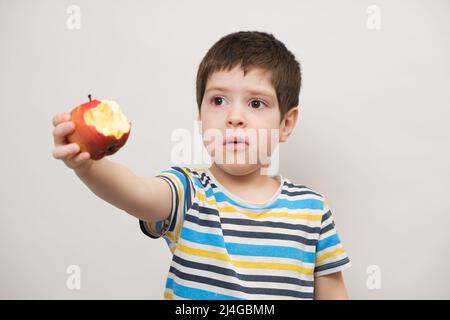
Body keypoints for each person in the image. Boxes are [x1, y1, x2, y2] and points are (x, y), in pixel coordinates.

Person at [52, 31, 351, 300]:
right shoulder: (188, 192)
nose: (234, 117)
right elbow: (138, 194)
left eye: (256, 104)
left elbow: (333, 293)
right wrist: (87, 167)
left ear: (286, 124)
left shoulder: (312, 210)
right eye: (218, 100)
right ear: (200, 118)